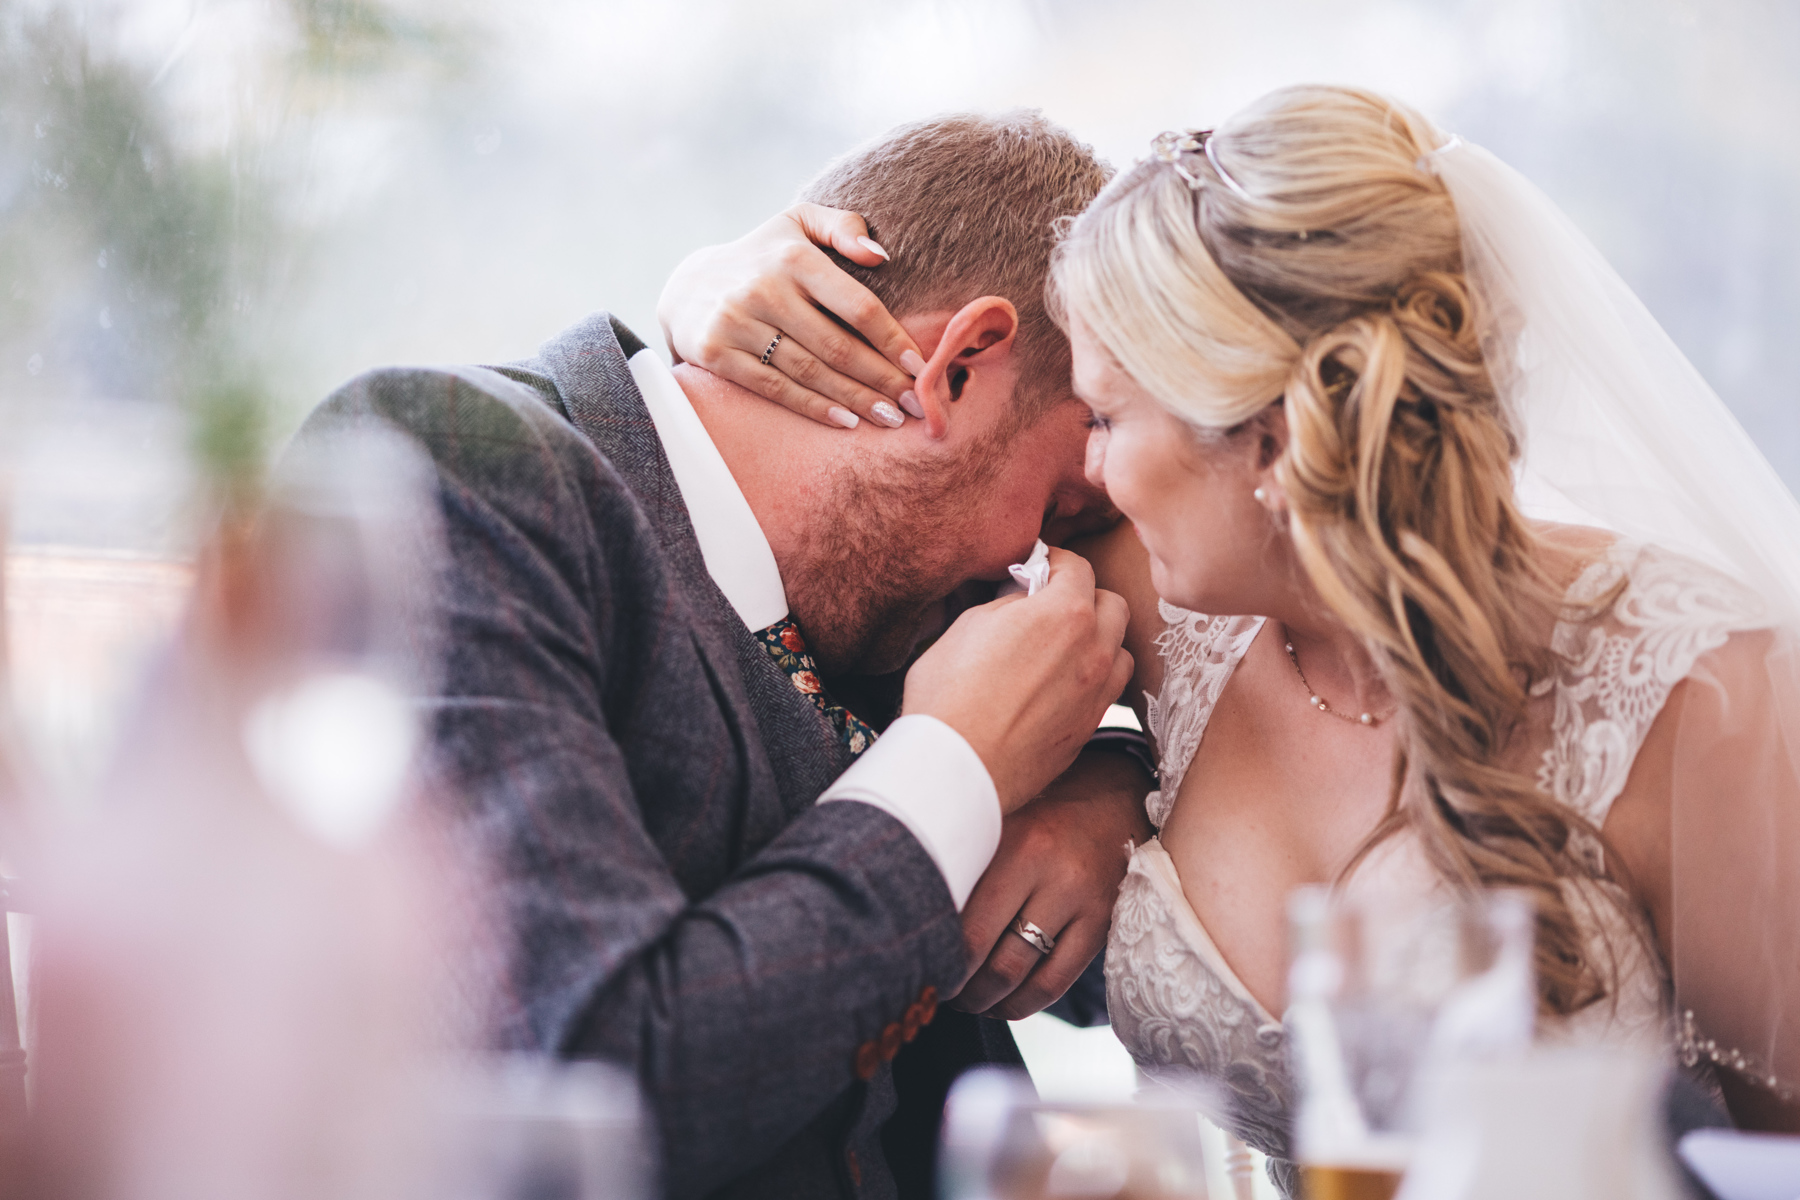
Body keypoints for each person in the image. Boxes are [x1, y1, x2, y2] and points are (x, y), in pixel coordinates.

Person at [660, 85, 1800, 1193]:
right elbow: (798, 603)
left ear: (1271, 440)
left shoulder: (1703, 693)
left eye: (1106, 419)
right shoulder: (1142, 589)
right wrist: (695, 296)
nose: (1087, 474)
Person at [293, 111, 1159, 1200]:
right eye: (1065, 512)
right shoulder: (455, 474)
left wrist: (1110, 784)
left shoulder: (912, 600)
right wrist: (956, 768)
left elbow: (1167, 973)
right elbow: (592, 1092)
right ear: (962, 367)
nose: (1043, 578)